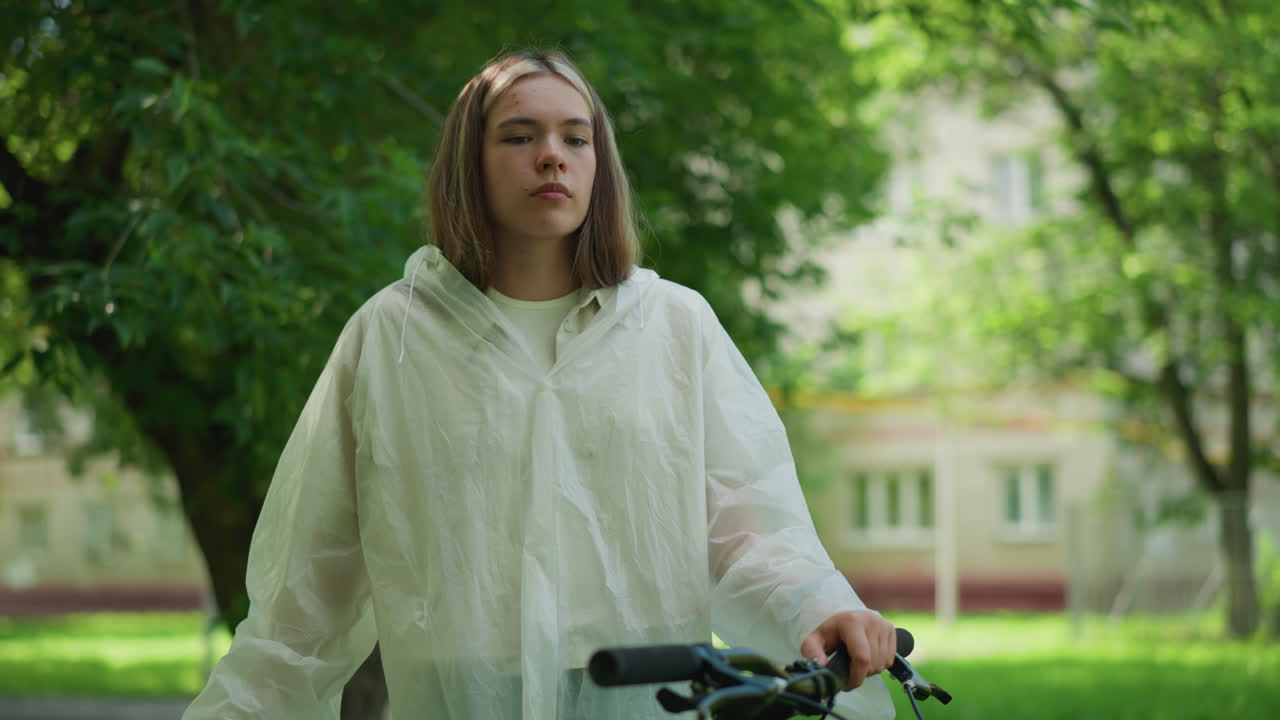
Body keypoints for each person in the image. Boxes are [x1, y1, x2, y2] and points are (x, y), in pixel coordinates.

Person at [181, 49, 896, 720]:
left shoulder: (674, 328)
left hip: (638, 695)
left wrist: (818, 604)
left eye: (575, 138)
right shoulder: (390, 338)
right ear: (471, 162)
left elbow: (746, 532)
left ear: (598, 164)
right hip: (459, 697)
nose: (551, 154)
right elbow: (311, 588)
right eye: (519, 136)